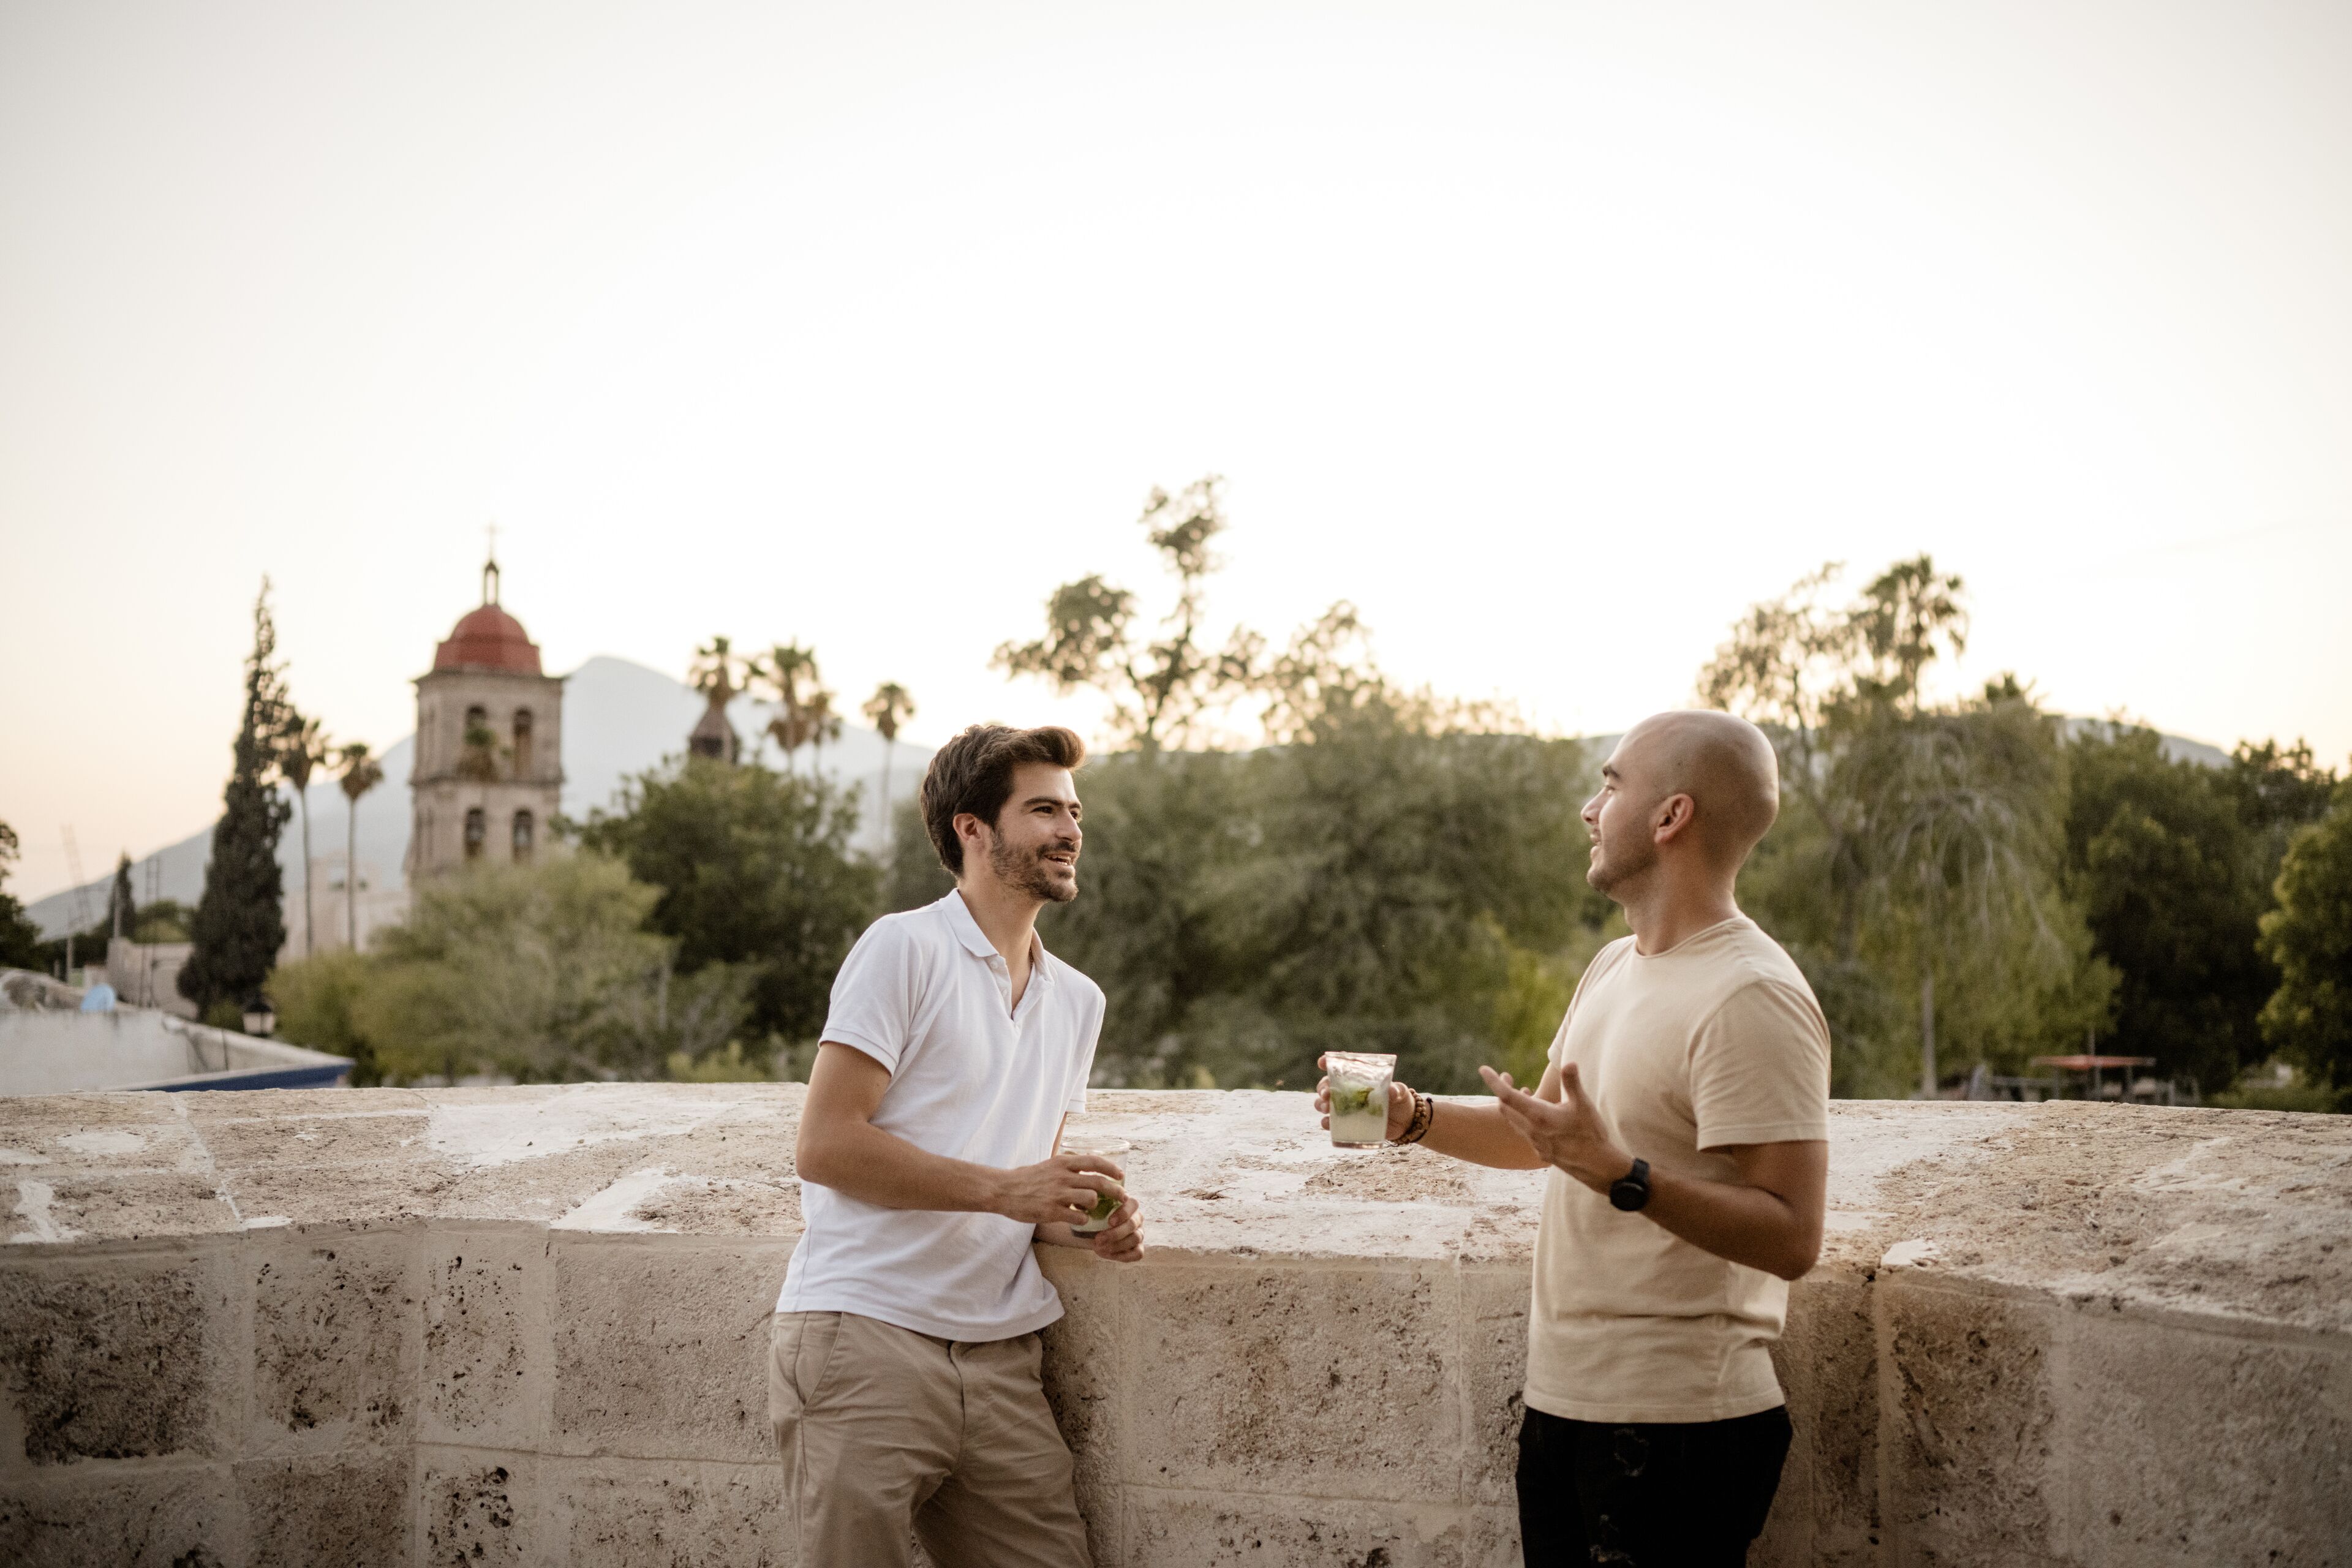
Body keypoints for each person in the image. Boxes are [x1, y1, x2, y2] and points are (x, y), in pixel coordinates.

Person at [1317, 710, 1830, 1567]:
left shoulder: (1751, 995)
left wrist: (1626, 1175)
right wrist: (1406, 1115)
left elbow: (1792, 1235)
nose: (1590, 811)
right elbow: (1540, 1139)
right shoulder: (1613, 965)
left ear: (1671, 817)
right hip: (1569, 1404)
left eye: (1611, 785)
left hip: (1678, 1428)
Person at [773, 723, 1142, 1568]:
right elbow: (826, 1146)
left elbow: (1020, 1186)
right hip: (864, 1339)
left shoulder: (1078, 1000)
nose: (1071, 830)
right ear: (972, 829)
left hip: (1002, 1357)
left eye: (1075, 811)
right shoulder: (903, 949)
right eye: (1043, 809)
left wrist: (1079, 1222)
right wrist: (1012, 1193)